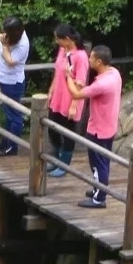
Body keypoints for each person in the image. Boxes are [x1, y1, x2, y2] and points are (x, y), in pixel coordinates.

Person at [66, 44, 122, 208]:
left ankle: (99, 199)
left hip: (98, 129)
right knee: (103, 162)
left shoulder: (102, 84)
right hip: (109, 126)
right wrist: (84, 86)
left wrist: (68, 76)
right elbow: (94, 91)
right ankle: (99, 188)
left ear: (99, 62)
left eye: (91, 57)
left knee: (98, 164)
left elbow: (76, 94)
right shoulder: (114, 73)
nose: (88, 59)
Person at [46, 24, 89, 178]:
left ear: (67, 39)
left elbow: (80, 83)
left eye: (58, 39)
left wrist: (74, 105)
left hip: (71, 98)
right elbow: (57, 72)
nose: (56, 42)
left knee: (68, 133)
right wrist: (51, 90)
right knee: (52, 128)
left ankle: (64, 165)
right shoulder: (62, 50)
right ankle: (56, 158)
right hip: (58, 96)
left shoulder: (81, 56)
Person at [0, 17, 29, 156]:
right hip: (4, 79)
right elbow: (2, 38)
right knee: (9, 115)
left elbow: (10, 61)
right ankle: (5, 142)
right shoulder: (11, 36)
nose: (4, 33)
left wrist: (4, 46)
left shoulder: (22, 45)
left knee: (14, 116)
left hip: (12, 83)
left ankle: (12, 147)